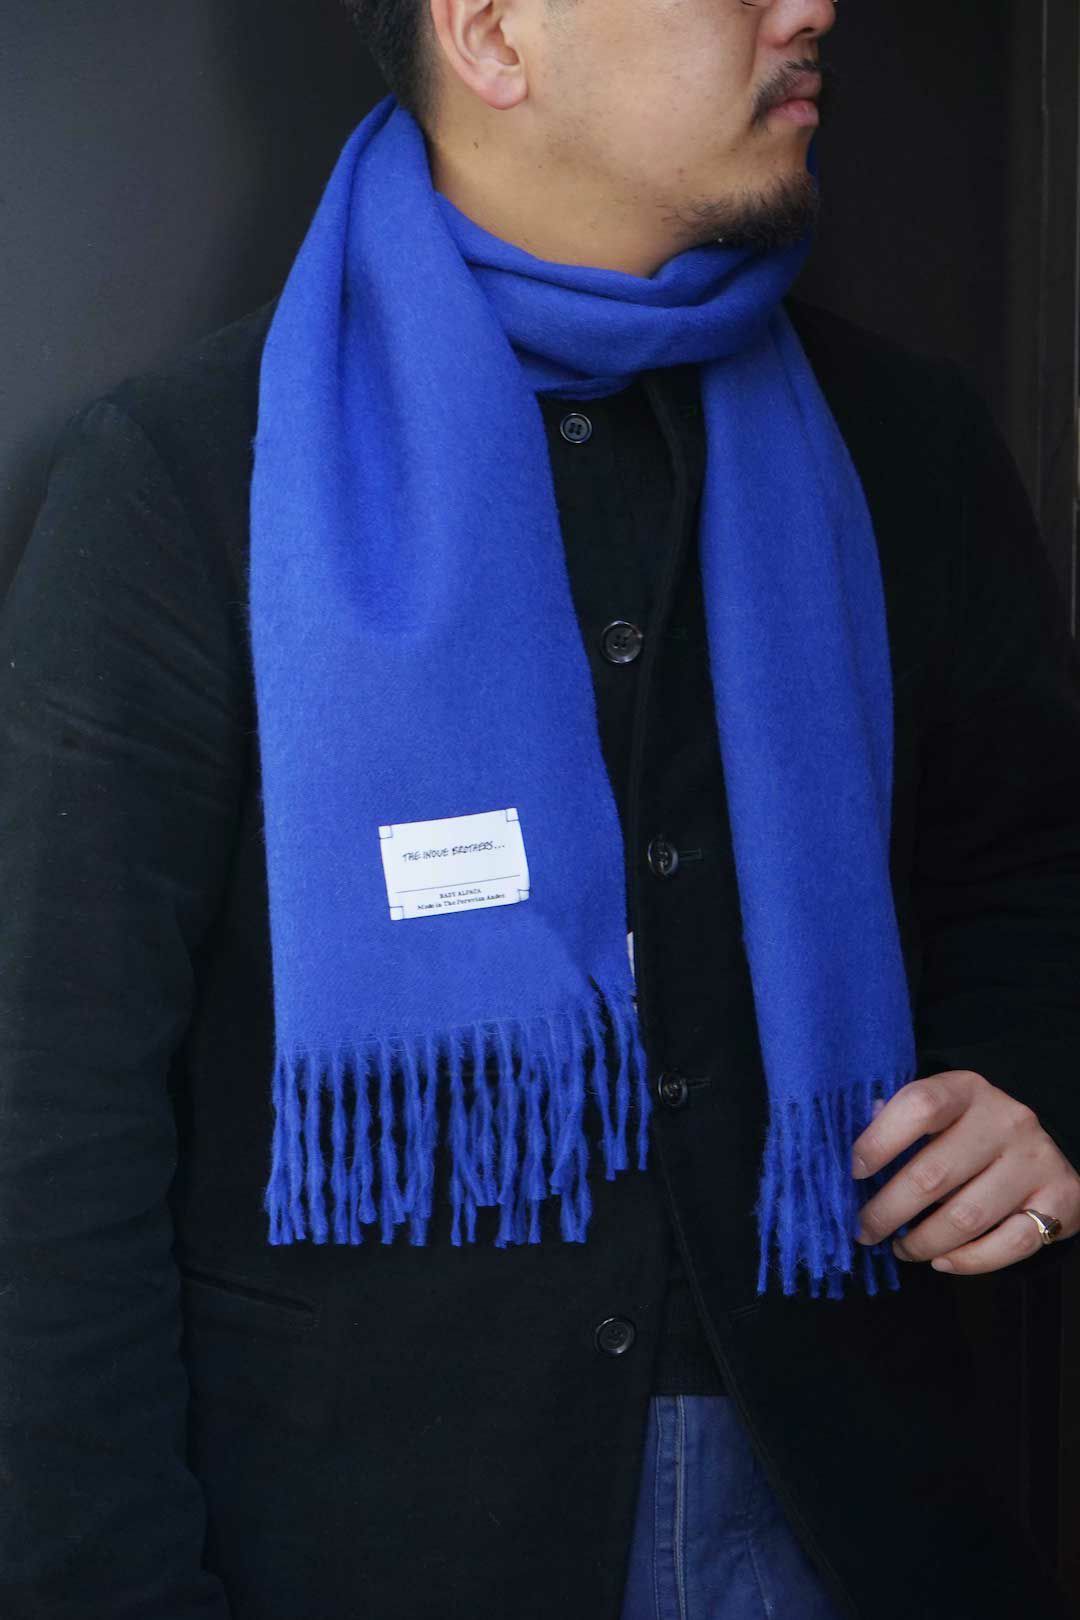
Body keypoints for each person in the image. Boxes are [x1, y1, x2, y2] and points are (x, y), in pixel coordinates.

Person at [3, 1, 1080, 1616]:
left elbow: (1031, 869)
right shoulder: (185, 482)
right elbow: (50, 1120)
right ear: (495, 34)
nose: (809, 9)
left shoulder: (902, 445)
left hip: (864, 1509)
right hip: (371, 1540)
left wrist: (1033, 1086)